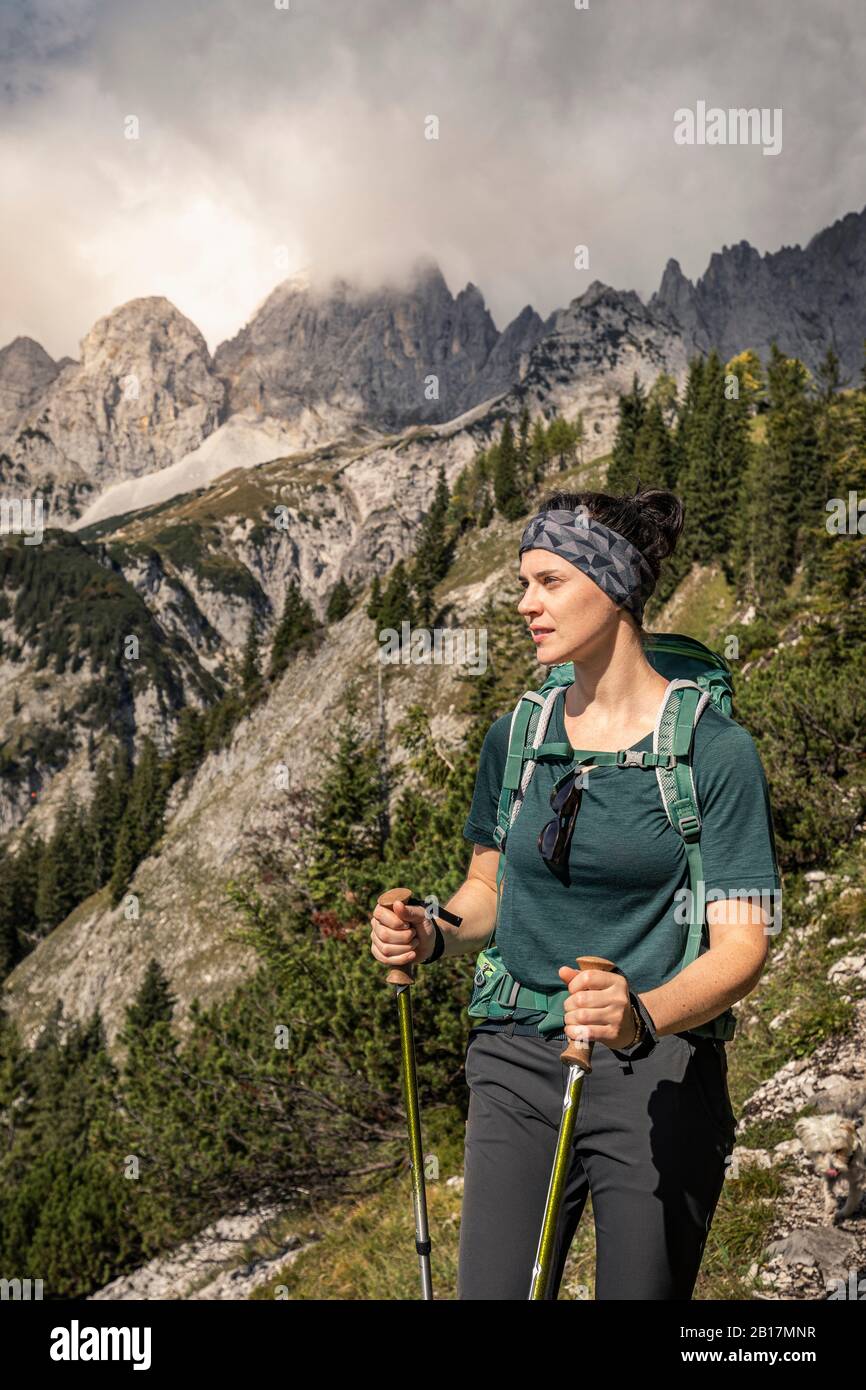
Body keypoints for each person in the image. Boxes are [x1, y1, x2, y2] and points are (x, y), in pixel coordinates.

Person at [370, 486, 781, 1300]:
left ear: (616, 588)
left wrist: (642, 1015)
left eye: (549, 582)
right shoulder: (517, 736)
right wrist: (433, 931)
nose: (526, 604)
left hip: (661, 1070)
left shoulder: (715, 750)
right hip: (516, 1058)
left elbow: (745, 944)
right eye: (523, 583)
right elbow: (486, 887)